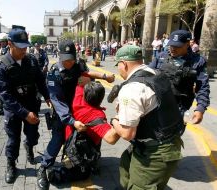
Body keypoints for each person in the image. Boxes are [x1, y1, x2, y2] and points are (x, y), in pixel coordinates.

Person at [37, 40, 115, 190]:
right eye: (66, 60)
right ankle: (44, 167)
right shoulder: (54, 73)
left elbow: (85, 73)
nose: (70, 62)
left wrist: (102, 76)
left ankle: (89, 162)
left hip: (79, 109)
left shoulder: (77, 63)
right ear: (59, 56)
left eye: (72, 58)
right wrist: (71, 121)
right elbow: (57, 102)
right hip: (64, 114)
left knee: (87, 137)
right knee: (58, 139)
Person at [110, 45, 184, 190]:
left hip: (156, 152)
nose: (118, 69)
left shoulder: (131, 89)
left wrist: (113, 120)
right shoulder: (154, 72)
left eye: (117, 64)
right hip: (168, 141)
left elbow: (127, 133)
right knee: (126, 166)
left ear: (124, 64)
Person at [0, 28, 50, 184]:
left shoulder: (31, 60)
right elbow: (5, 96)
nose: (24, 50)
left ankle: (29, 147)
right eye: (20, 47)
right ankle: (11, 164)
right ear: (10, 44)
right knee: (13, 138)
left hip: (31, 104)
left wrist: (47, 97)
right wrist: (25, 114)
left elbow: (40, 80)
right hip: (13, 109)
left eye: (26, 46)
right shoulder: (1, 65)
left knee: (32, 134)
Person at [45, 81, 121, 185]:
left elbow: (81, 79)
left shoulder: (78, 96)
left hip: (68, 137)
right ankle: (55, 175)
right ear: (102, 97)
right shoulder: (97, 116)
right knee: (84, 174)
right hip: (78, 146)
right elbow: (111, 139)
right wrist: (120, 115)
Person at [149, 30, 210, 123]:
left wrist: (200, 108)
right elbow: (147, 75)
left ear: (187, 44)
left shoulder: (197, 61)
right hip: (156, 102)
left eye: (177, 46)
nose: (173, 48)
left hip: (178, 105)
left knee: (171, 133)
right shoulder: (161, 56)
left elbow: (202, 86)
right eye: (171, 45)